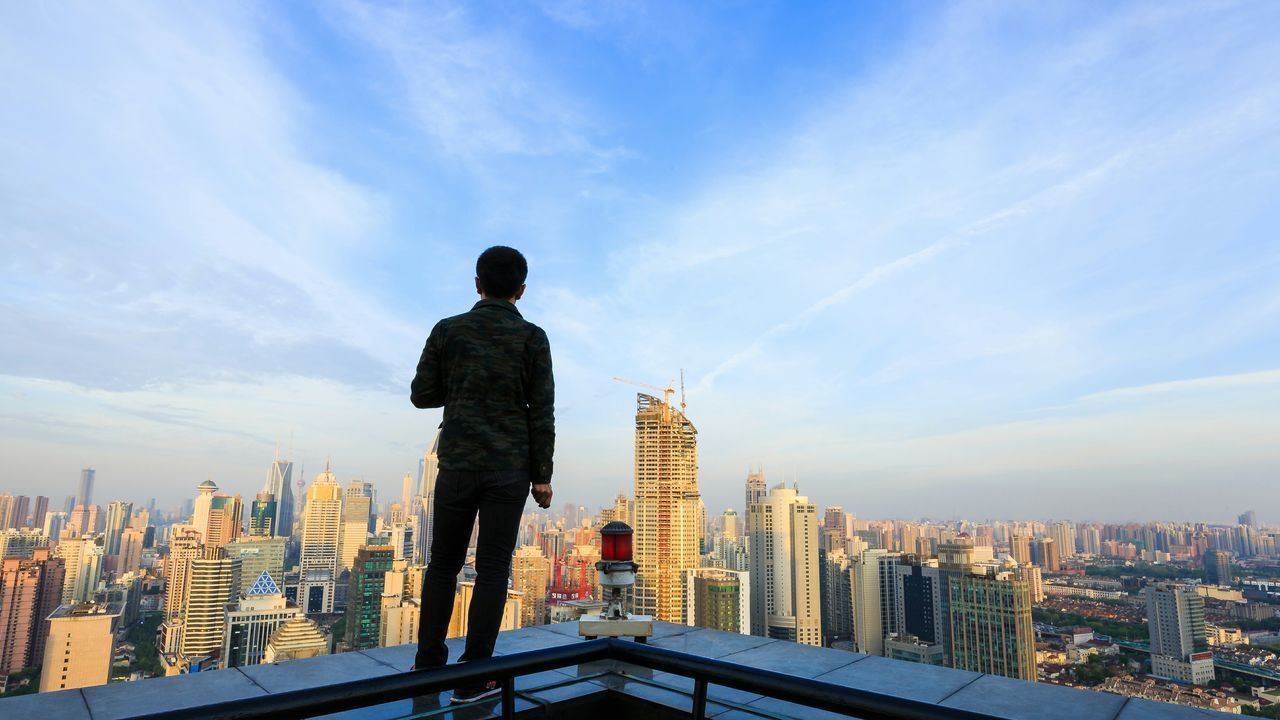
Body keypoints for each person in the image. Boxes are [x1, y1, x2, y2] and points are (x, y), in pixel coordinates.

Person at [409, 246, 555, 703]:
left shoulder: (448, 331)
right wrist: (542, 477)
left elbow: (421, 395)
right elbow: (542, 412)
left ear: (477, 284)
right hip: (509, 469)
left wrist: (464, 385)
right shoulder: (533, 338)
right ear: (521, 290)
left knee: (443, 565)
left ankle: (426, 663)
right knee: (493, 569)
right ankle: (475, 677)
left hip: (456, 464)